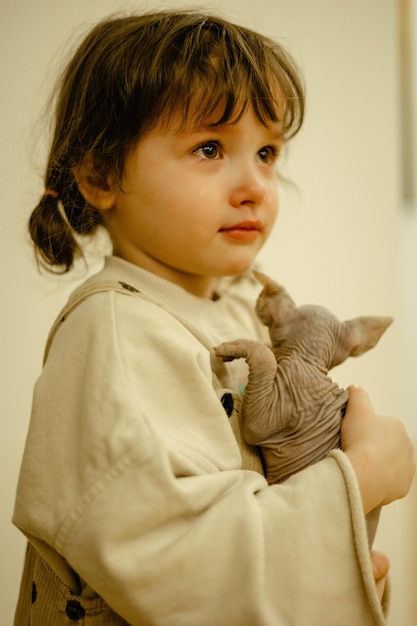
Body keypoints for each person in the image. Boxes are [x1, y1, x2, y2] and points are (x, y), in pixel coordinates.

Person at [12, 10, 414, 626]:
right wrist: (361, 478)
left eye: (268, 152)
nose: (255, 185)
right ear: (99, 173)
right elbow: (180, 567)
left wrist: (349, 564)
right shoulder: (113, 335)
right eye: (209, 148)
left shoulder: (234, 310)